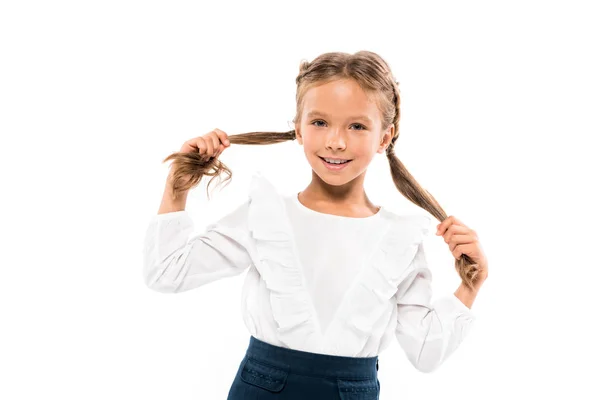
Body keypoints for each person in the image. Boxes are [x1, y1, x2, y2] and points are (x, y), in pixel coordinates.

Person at [142, 50, 489, 399]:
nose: (335, 141)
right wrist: (178, 186)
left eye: (357, 126)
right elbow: (165, 273)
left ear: (385, 136)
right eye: (320, 122)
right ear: (299, 129)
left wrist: (469, 286)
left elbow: (426, 352)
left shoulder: (400, 239)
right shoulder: (265, 216)